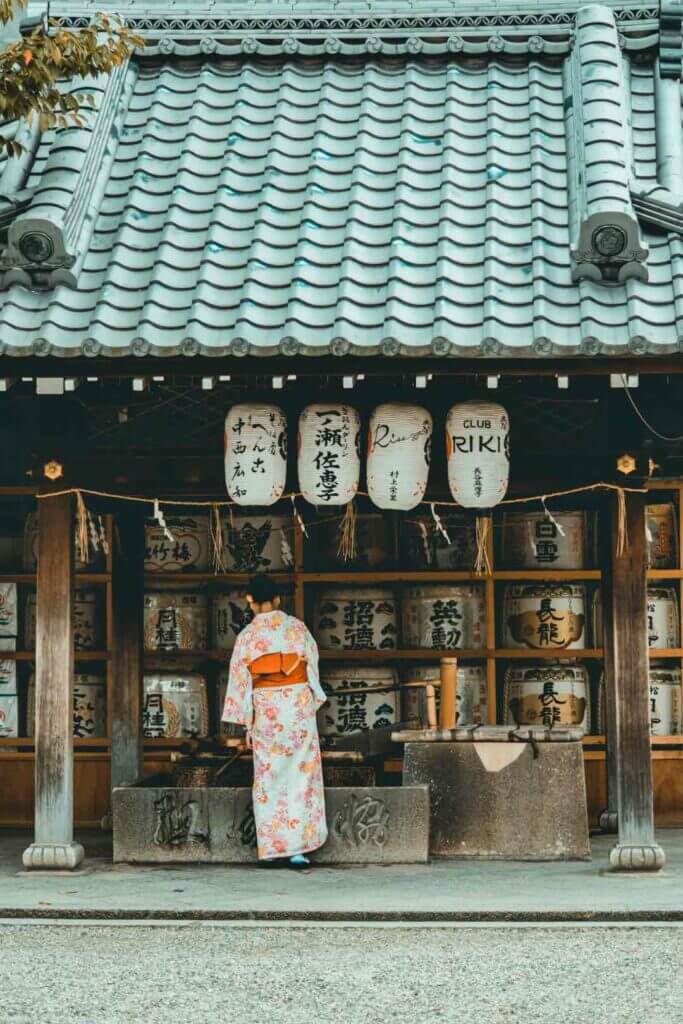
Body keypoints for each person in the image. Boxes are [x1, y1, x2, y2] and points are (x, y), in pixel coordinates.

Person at [221, 574, 328, 867]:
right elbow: (312, 669)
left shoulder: (247, 638)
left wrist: (246, 720)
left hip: (267, 712)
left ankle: (272, 849)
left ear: (251, 602)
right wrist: (308, 702)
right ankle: (298, 849)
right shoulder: (297, 629)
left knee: (269, 779)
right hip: (296, 710)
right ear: (278, 599)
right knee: (301, 776)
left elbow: (241, 682)